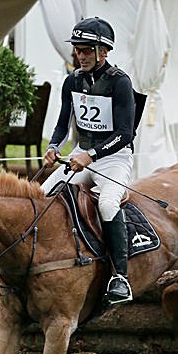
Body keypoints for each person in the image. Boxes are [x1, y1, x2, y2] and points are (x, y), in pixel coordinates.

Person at [42, 17, 137, 305]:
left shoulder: (120, 82)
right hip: (80, 155)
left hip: (114, 158)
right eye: (77, 50)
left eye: (85, 50)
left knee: (108, 203)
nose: (79, 55)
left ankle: (120, 276)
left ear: (103, 51)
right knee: (42, 194)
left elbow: (125, 134)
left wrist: (91, 156)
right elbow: (62, 124)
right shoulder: (72, 80)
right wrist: (53, 146)